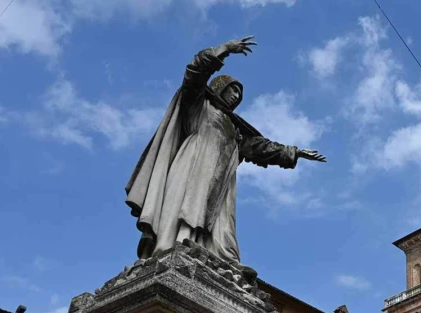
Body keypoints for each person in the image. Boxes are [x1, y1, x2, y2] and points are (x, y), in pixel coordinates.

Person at [125, 36, 326, 264]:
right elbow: (195, 74)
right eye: (233, 90)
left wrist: (294, 152)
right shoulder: (199, 106)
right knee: (188, 204)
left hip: (222, 181)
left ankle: (218, 261)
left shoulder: (236, 130)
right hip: (194, 166)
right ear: (218, 88)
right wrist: (224, 50)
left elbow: (260, 147)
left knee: (222, 224)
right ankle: (176, 245)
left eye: (239, 95)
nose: (236, 96)